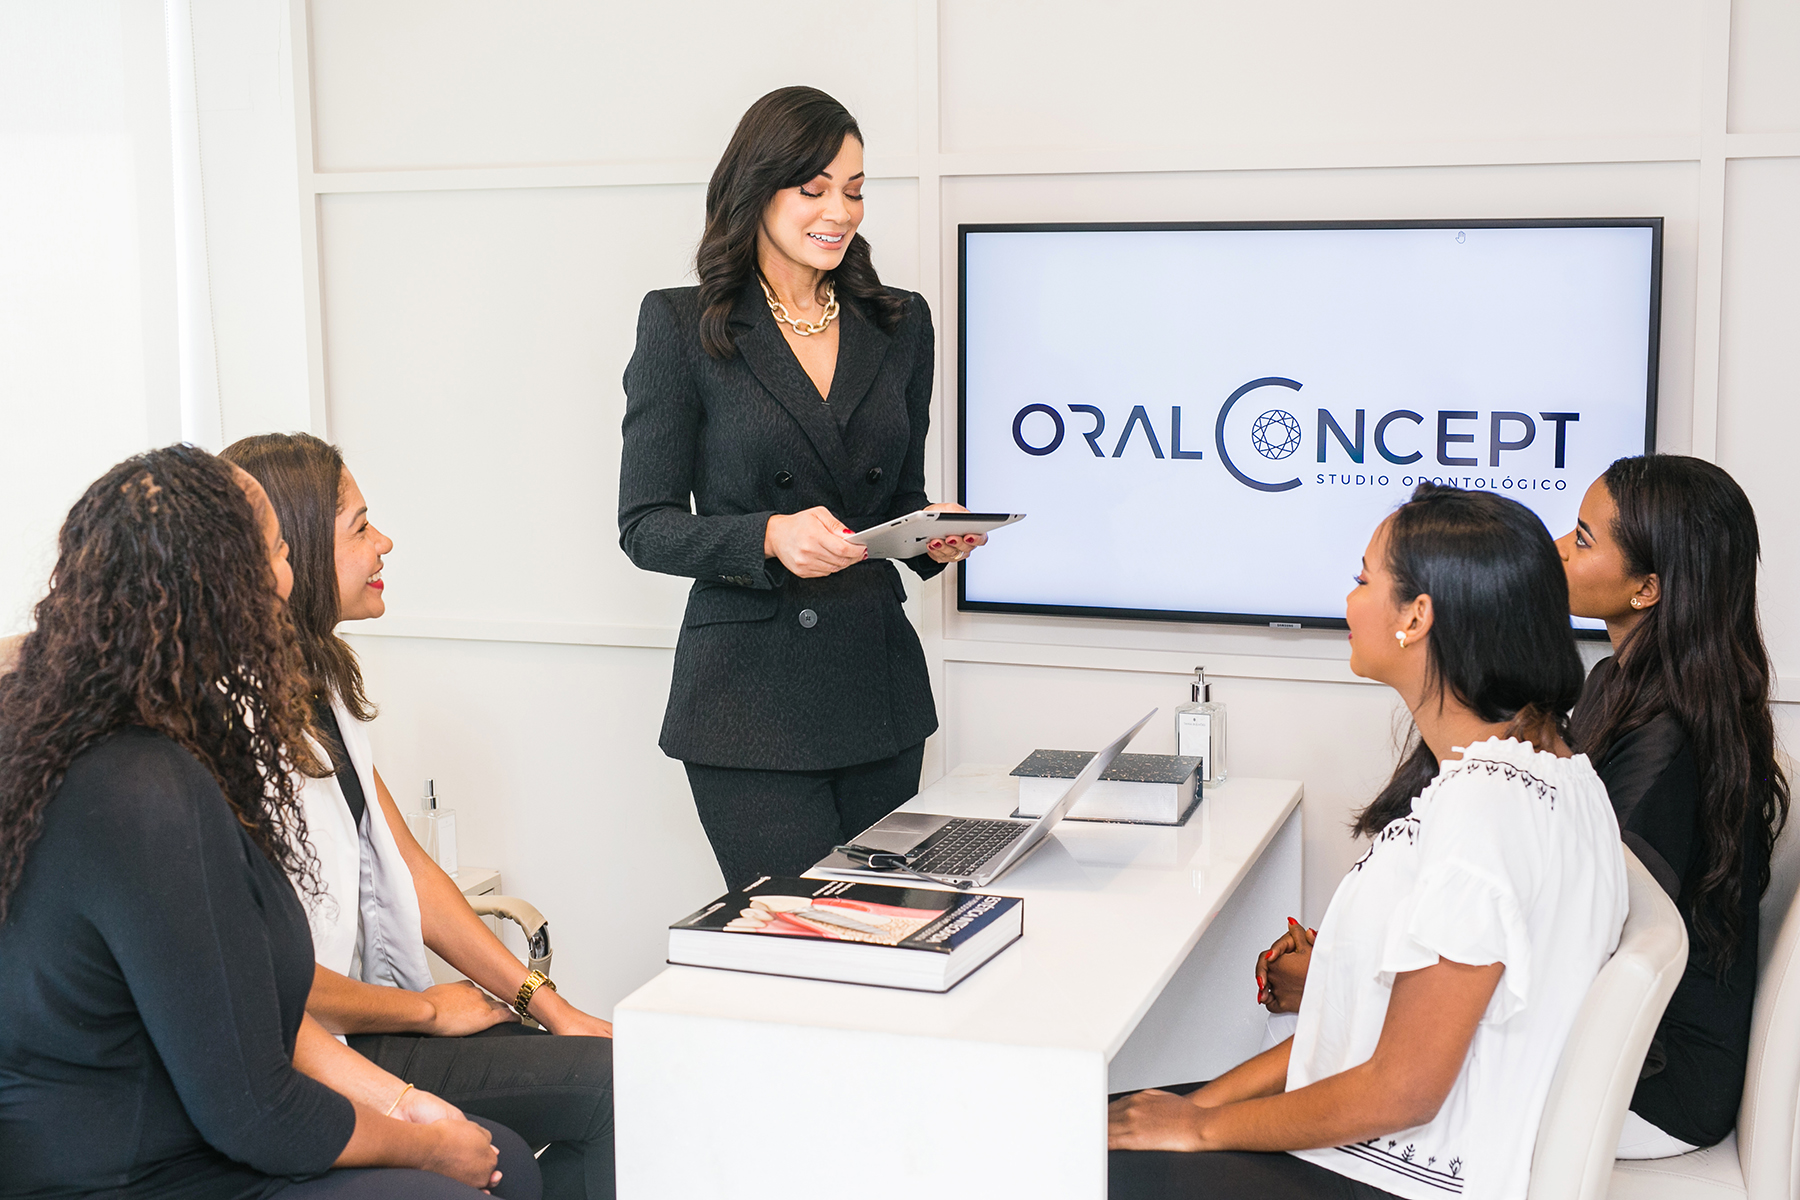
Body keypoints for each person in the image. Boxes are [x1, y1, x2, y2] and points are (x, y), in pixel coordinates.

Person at [0, 444, 539, 1199]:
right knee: (465, 1182)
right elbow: (257, 1112)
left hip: (192, 1128)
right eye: (282, 553)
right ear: (230, 589)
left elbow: (251, 1027)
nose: (292, 579)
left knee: (500, 1156)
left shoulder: (131, 741)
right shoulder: (147, 793)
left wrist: (406, 1108)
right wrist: (427, 1149)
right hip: (133, 1173)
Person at [1109, 484, 1626, 1200]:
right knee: (1101, 1118)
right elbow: (1361, 1028)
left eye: (1362, 579)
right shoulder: (1557, 773)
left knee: (1051, 1154)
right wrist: (1197, 1107)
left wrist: (1200, 1128)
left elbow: (1403, 1089)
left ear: (1416, 616)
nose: (1349, 600)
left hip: (1395, 1176)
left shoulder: (1486, 814)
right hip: (1386, 1142)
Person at [223, 432, 615, 1200]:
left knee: (610, 1072)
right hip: (318, 1048)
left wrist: (548, 1005)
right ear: (295, 552)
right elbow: (265, 976)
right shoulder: (231, 726)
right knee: (609, 1092)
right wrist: (427, 1009)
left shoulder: (316, 684)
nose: (384, 542)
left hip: (372, 1020)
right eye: (360, 527)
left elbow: (411, 870)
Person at [617, 85, 981, 887]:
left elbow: (894, 500)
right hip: (750, 706)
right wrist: (769, 535)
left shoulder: (900, 322)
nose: (839, 211)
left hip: (876, 690)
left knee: (885, 930)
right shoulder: (682, 325)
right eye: (814, 189)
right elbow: (644, 525)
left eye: (854, 189)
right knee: (797, 937)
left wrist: (932, 535)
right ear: (756, 189)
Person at [1558, 454, 1788, 1157]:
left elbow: (1592, 926)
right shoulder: (1618, 684)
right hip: (1613, 1033)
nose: (1558, 549)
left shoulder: (1669, 738)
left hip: (1655, 1081)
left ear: (1647, 589)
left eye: (1582, 539)